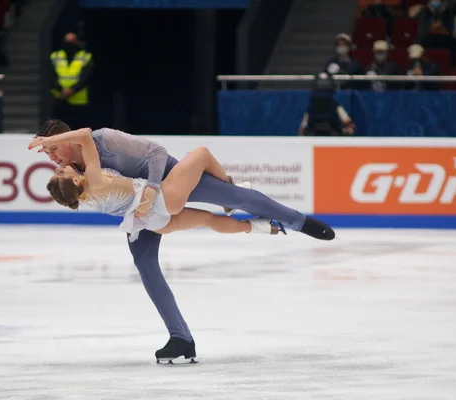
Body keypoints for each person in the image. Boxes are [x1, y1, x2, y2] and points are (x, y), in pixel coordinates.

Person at [33, 120, 335, 363]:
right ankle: (181, 338)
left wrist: (151, 187)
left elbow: (156, 153)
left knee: (237, 197)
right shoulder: (76, 175)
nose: (51, 158)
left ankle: (298, 222)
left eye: (52, 150)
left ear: (65, 140)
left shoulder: (103, 140)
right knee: (146, 265)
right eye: (48, 155)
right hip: (143, 211)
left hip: (170, 179)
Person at [28, 129, 280, 244]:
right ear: (74, 180)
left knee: (208, 221)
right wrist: (52, 140)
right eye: (61, 171)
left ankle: (257, 228)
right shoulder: (92, 176)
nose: (58, 165)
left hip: (152, 224)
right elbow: (84, 135)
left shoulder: (83, 198)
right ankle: (229, 193)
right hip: (160, 203)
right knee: (201, 153)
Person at [50, 32, 93, 130]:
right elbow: (50, 75)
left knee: (77, 128)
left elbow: (86, 77)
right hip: (59, 98)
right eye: (67, 41)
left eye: (72, 41)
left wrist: (72, 89)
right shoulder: (55, 56)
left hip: (78, 100)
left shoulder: (85, 56)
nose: (69, 44)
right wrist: (61, 89)